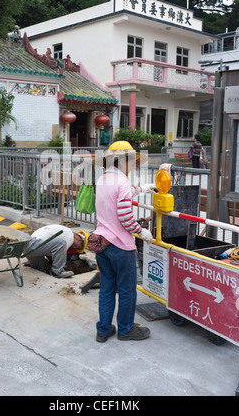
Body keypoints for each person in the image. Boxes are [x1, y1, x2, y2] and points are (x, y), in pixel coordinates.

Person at [94, 141, 155, 343]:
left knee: (107, 288)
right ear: (123, 161)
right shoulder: (122, 182)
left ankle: (103, 330)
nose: (133, 166)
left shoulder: (103, 179)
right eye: (131, 162)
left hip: (101, 243)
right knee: (127, 290)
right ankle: (126, 330)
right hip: (120, 246)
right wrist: (141, 232)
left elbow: (117, 196)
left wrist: (142, 189)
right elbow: (125, 217)